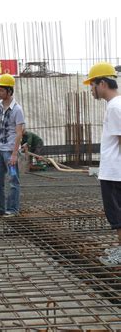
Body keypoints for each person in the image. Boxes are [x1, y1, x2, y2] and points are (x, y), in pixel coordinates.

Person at [83, 62, 121, 266]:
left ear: (103, 83)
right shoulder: (115, 105)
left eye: (92, 85)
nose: (91, 89)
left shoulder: (115, 107)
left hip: (115, 173)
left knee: (118, 216)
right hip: (114, 171)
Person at [0, 74, 25, 217]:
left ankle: (12, 209)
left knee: (13, 180)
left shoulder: (17, 110)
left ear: (9, 91)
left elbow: (19, 133)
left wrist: (14, 154)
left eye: (1, 90)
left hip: (10, 152)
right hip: (0, 150)